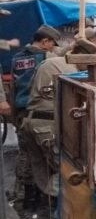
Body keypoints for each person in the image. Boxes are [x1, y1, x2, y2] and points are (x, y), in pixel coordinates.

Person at [23, 38, 96, 204]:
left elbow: (28, 89)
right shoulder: (70, 69)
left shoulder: (47, 63)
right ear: (80, 55)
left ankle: (43, 210)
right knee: (65, 169)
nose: (88, 67)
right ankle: (60, 217)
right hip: (47, 125)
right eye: (88, 63)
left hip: (31, 121)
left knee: (41, 171)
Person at [10, 25, 60, 209]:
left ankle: (24, 197)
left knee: (26, 154)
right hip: (40, 111)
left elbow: (13, 88)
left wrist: (14, 115)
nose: (53, 47)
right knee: (46, 158)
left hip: (22, 112)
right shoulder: (46, 58)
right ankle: (39, 199)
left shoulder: (17, 58)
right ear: (45, 41)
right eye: (52, 44)